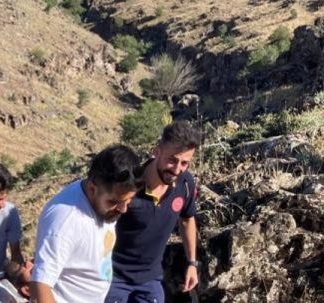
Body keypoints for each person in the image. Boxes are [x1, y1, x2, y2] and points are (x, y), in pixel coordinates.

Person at [30, 145, 143, 303]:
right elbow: (40, 287)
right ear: (92, 189)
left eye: (128, 200)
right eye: (115, 202)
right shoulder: (66, 220)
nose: (123, 209)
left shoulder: (104, 204)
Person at [105, 121, 202, 303]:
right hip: (114, 278)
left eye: (184, 163)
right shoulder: (129, 186)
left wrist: (192, 263)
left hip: (151, 280)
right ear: (156, 151)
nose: (177, 169)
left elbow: (187, 219)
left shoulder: (185, 184)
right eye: (172, 160)